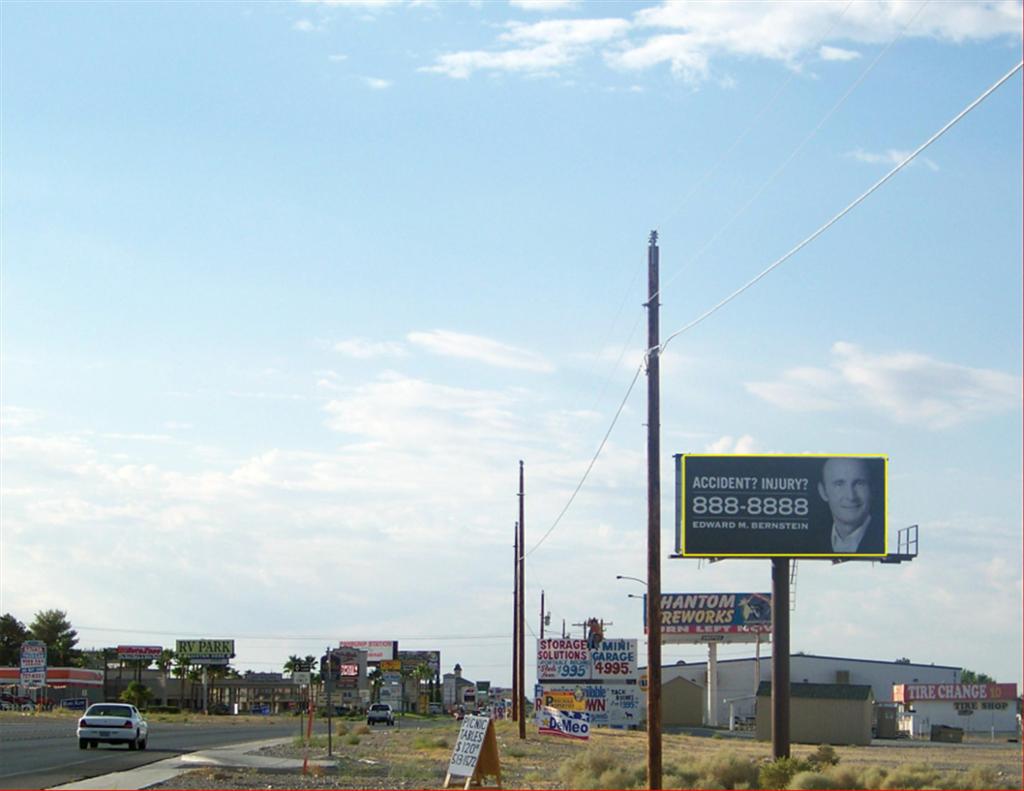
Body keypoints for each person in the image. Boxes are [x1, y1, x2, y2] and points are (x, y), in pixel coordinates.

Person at [817, 457, 884, 554]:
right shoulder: (809, 541)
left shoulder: (880, 539)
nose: (851, 496)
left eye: (859, 483)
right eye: (839, 484)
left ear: (872, 489)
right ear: (823, 491)